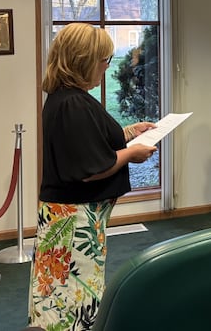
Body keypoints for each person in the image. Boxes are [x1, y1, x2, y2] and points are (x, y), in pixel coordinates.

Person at [28, 23, 157, 330]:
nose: (106, 67)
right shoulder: (72, 102)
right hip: (73, 224)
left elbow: (89, 142)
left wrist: (127, 133)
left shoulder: (69, 97)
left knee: (65, 296)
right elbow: (91, 169)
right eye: (104, 60)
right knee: (71, 301)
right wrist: (132, 153)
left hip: (70, 219)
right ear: (83, 59)